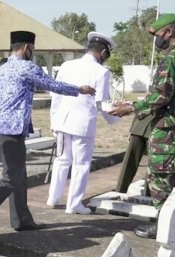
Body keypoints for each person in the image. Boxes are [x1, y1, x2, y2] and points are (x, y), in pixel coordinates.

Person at [0, 30, 96, 242]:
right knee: (10, 179)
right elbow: (53, 85)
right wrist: (80, 89)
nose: (33, 52)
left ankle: (22, 220)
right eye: (32, 48)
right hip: (12, 132)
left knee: (19, 175)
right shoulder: (27, 67)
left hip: (1, 130)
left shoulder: (0, 70)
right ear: (26, 48)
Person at [109, 13, 175, 239]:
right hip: (174, 120)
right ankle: (169, 220)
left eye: (157, 34)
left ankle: (163, 225)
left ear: (169, 32)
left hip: (167, 123)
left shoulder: (173, 57)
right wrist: (132, 103)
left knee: (160, 174)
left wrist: (131, 108)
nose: (156, 39)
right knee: (169, 172)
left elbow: (161, 96)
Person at [47, 32, 120, 215]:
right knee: (81, 165)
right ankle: (74, 204)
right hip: (82, 125)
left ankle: (53, 198)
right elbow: (101, 104)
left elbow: (55, 95)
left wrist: (54, 121)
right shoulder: (102, 72)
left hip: (62, 122)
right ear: (103, 52)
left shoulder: (66, 65)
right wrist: (117, 117)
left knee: (62, 160)